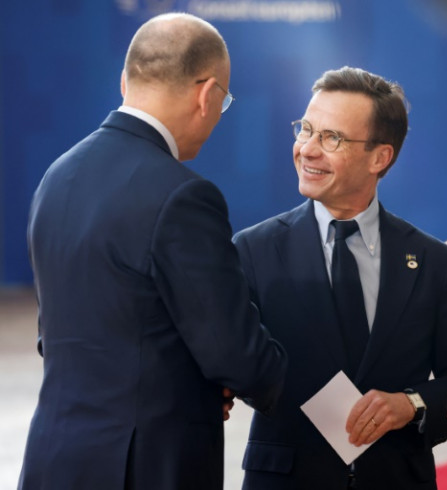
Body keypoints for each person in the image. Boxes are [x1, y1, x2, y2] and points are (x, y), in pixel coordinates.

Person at [19, 13, 287, 490]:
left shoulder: (56, 177)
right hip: (143, 467)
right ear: (207, 95)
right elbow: (234, 355)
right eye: (223, 102)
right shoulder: (183, 195)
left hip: (51, 459)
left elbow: (59, 334)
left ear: (127, 81)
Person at [232, 66, 447, 489]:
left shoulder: (432, 261)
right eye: (305, 130)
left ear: (380, 157)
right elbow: (233, 364)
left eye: (332, 138)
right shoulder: (253, 250)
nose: (307, 149)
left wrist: (412, 404)